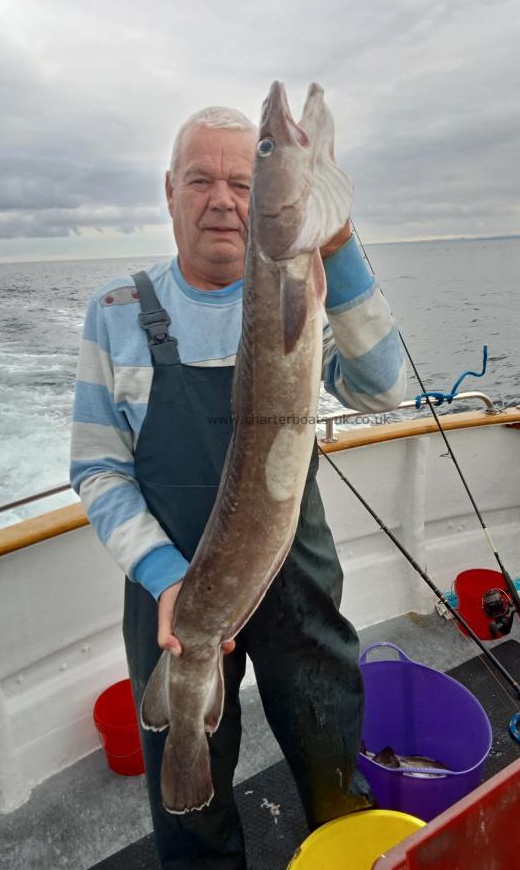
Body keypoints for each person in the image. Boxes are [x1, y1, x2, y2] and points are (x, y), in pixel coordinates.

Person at [71, 105, 406, 870]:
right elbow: (97, 468)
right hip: (172, 594)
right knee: (187, 791)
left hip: (296, 577)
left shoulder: (302, 294)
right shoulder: (117, 313)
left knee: (329, 748)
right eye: (200, 179)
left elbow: (381, 389)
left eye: (241, 180)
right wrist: (165, 579)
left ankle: (344, 849)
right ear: (168, 192)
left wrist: (338, 235)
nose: (222, 199)